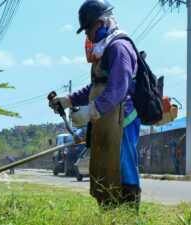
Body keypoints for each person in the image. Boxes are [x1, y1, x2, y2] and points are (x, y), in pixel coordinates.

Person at [49, 0, 141, 211]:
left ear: (101, 23)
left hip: (122, 118)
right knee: (105, 167)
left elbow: (118, 88)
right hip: (106, 117)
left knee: (123, 168)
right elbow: (97, 86)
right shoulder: (106, 49)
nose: (87, 35)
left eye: (88, 29)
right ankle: (109, 212)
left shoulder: (119, 47)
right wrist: (69, 99)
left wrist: (91, 111)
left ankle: (128, 213)